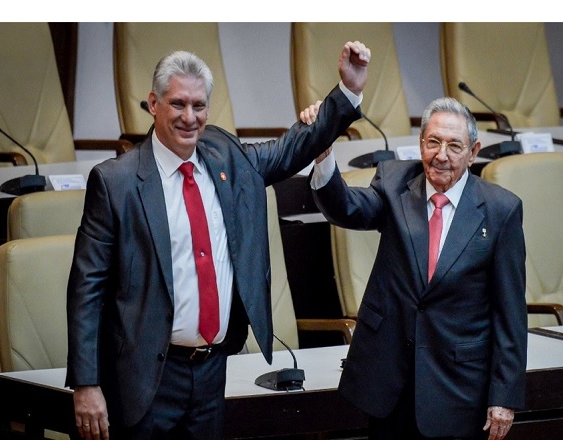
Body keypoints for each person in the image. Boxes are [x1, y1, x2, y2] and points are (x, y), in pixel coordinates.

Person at [66, 41, 371, 440]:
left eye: (199, 105)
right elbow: (86, 288)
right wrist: (86, 383)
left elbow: (290, 149)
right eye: (178, 104)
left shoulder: (225, 155)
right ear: (153, 104)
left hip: (211, 372)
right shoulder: (116, 182)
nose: (189, 117)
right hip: (144, 378)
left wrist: (347, 91)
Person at [305, 96, 527, 440]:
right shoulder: (394, 182)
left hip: (457, 386)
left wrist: (504, 395)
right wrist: (322, 154)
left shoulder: (501, 210)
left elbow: (510, 313)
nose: (441, 155)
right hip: (389, 383)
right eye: (433, 142)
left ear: (473, 152)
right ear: (421, 142)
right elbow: (346, 207)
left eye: (454, 146)